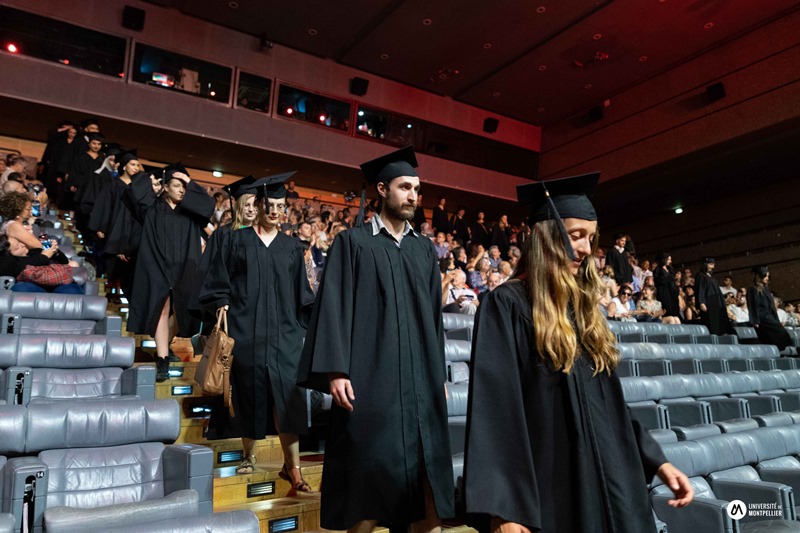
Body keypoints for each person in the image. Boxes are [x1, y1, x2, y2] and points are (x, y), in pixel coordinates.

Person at [464, 172, 693, 533]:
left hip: (614, 482)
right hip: (555, 486)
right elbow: (497, 411)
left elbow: (610, 404)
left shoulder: (583, 309)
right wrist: (504, 508)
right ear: (547, 237)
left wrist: (657, 461)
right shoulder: (507, 304)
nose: (587, 250)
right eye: (576, 236)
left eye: (591, 237)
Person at [298, 146, 454, 532]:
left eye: (417, 189)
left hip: (420, 384)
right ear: (382, 190)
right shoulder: (354, 244)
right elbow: (333, 306)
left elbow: (433, 319)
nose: (413, 196)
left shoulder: (423, 249)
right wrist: (336, 370)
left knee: (425, 486)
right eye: (405, 187)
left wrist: (440, 376)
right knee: (366, 483)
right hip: (371, 382)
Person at [200, 172, 315, 488]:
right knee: (249, 395)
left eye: (281, 206)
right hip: (246, 330)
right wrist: (221, 300)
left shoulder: (292, 247)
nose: (276, 211)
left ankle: (293, 468)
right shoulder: (237, 240)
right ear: (260, 206)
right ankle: (248, 457)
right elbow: (218, 279)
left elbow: (301, 293)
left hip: (284, 335)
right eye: (271, 205)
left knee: (287, 400)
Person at [126, 163, 214, 381]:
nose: (182, 190)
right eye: (177, 185)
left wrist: (187, 179)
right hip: (156, 265)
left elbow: (208, 205)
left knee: (183, 310)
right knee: (161, 307)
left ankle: (164, 346)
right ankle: (163, 359)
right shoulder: (151, 207)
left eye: (185, 186)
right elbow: (132, 192)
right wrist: (155, 175)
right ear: (165, 187)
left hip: (185, 266)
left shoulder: (191, 212)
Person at [89, 149, 142, 301]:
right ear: (124, 166)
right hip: (113, 228)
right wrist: (101, 226)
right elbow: (104, 206)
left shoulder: (138, 189)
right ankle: (111, 290)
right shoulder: (113, 185)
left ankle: (120, 291)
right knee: (112, 262)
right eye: (133, 164)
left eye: (138, 165)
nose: (136, 168)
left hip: (131, 231)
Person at [747, 265, 792, 350]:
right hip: (762, 316)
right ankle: (785, 348)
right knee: (780, 332)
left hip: (769, 315)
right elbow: (752, 305)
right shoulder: (752, 288)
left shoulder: (765, 288)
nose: (767, 278)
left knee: (776, 334)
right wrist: (755, 320)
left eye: (768, 276)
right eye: (765, 276)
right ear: (759, 276)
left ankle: (783, 350)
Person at [694, 257, 734, 336]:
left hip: (717, 302)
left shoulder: (710, 276)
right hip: (709, 302)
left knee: (721, 322)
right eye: (711, 264)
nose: (713, 267)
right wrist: (701, 302)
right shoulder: (701, 275)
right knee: (713, 323)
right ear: (705, 264)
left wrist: (725, 296)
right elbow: (700, 289)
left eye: (713, 264)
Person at [654, 252, 681, 320]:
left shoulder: (670, 269)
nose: (670, 261)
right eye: (668, 259)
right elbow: (660, 281)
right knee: (668, 313)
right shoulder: (657, 270)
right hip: (665, 295)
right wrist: (672, 278)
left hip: (673, 295)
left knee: (675, 315)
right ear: (664, 259)